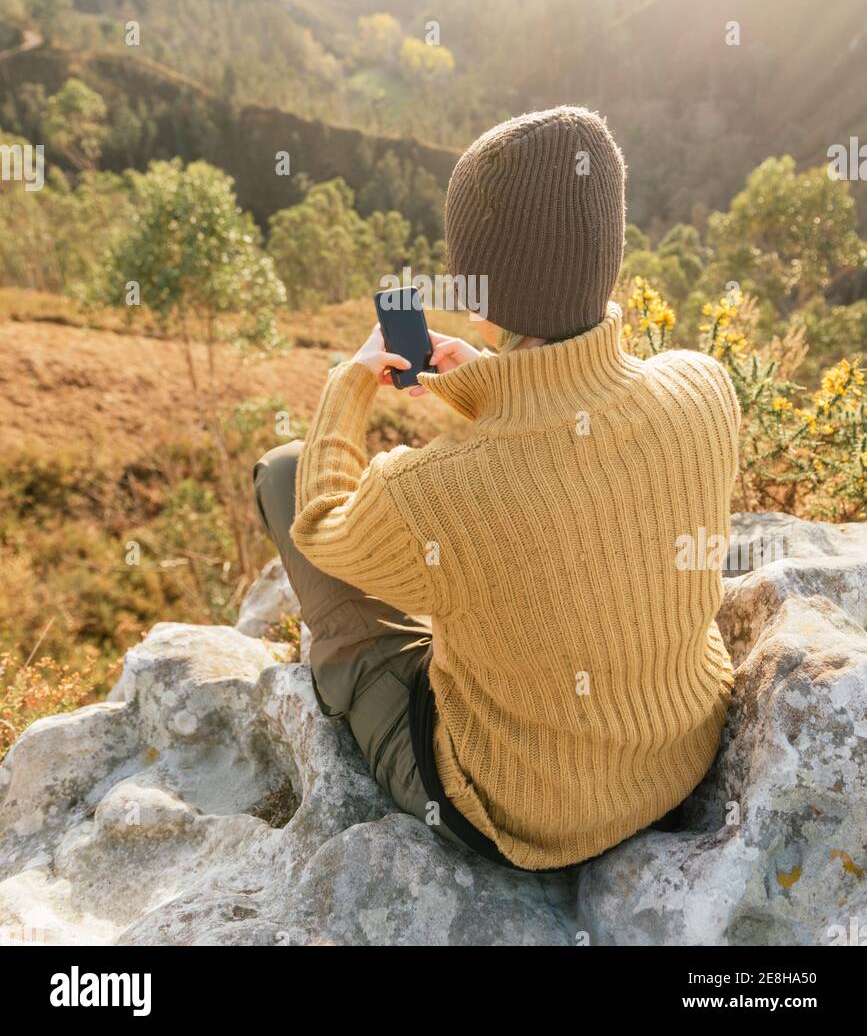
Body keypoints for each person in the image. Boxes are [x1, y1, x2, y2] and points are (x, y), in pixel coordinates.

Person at [254, 106, 739, 871]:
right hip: (680, 757)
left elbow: (321, 524)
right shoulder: (704, 387)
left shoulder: (434, 493)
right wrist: (479, 386)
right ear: (608, 256)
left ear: (476, 296)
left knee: (285, 472)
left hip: (517, 814)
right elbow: (579, 444)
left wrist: (348, 384)